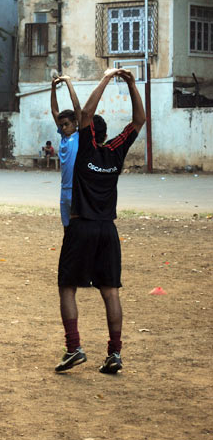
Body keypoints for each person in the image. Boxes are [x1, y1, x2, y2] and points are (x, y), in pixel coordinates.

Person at [55, 69, 145, 374]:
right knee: (110, 291)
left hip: (81, 227)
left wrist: (106, 79)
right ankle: (114, 353)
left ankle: (73, 347)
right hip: (108, 229)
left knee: (67, 286)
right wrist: (132, 84)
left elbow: (87, 113)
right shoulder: (114, 154)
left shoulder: (85, 151)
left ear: (88, 132)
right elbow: (138, 122)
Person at [51, 75, 82, 228]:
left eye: (66, 124)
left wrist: (68, 82)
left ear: (75, 123)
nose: (63, 127)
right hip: (64, 189)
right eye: (61, 125)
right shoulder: (64, 137)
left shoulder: (80, 135)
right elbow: (54, 110)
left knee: (79, 226)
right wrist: (53, 88)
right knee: (67, 226)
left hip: (77, 189)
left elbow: (77, 107)